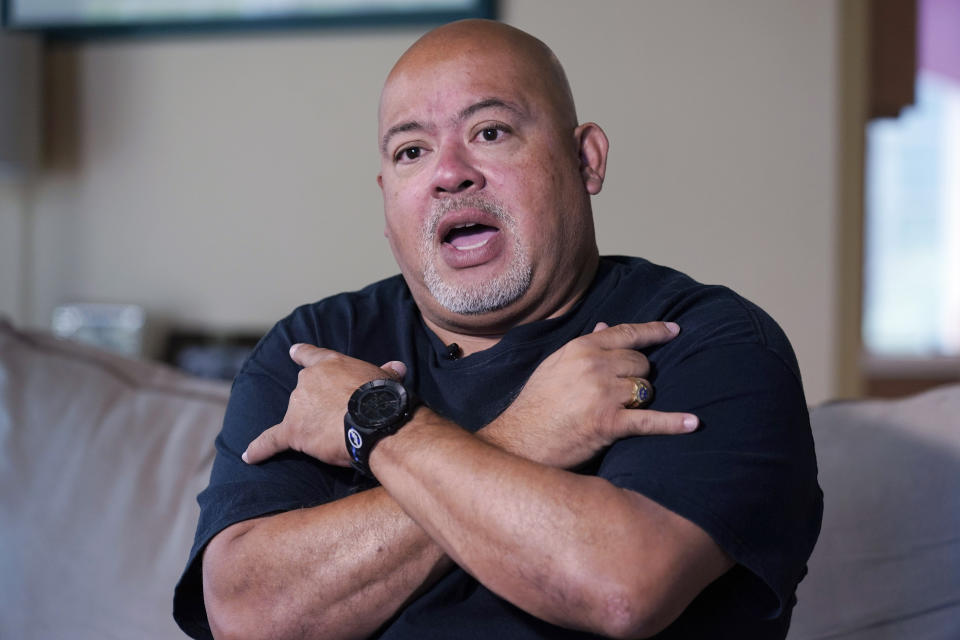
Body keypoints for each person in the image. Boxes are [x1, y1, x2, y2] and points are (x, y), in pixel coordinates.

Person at [173, 19, 821, 640]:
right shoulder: (315, 347)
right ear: (386, 196)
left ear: (585, 159)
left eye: (490, 132)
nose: (449, 173)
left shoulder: (708, 341)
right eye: (411, 151)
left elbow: (621, 587)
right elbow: (247, 612)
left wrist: (369, 424)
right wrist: (527, 434)